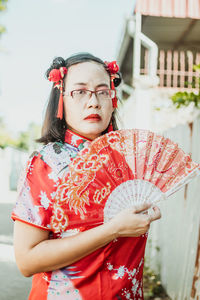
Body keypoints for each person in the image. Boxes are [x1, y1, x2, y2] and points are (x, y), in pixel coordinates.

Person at [12, 52, 161, 300]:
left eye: (103, 91)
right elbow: (26, 260)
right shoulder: (46, 164)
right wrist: (113, 230)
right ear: (61, 100)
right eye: (80, 92)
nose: (93, 102)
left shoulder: (127, 163)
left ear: (113, 99)